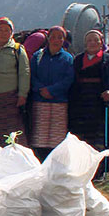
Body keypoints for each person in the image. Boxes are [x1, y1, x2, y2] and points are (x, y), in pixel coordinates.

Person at [69, 30, 109, 180]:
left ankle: (100, 171)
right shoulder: (78, 60)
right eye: (89, 41)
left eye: (96, 40)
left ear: (101, 43)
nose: (92, 43)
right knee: (83, 138)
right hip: (82, 105)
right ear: (85, 44)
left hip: (102, 105)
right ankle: (83, 169)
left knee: (100, 139)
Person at [0, 17, 31, 146]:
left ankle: (15, 155)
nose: (3, 33)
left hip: (10, 97)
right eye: (0, 30)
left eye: (6, 30)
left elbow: (24, 72)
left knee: (12, 128)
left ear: (11, 33)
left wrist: (22, 94)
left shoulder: (17, 49)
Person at [29, 26, 75, 161]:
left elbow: (68, 79)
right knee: (40, 136)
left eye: (60, 37)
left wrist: (52, 91)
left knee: (56, 137)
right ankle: (40, 164)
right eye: (53, 37)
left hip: (59, 102)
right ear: (48, 38)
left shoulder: (68, 58)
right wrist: (40, 90)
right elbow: (32, 76)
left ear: (64, 40)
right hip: (40, 101)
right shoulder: (38, 56)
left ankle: (55, 165)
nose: (56, 40)